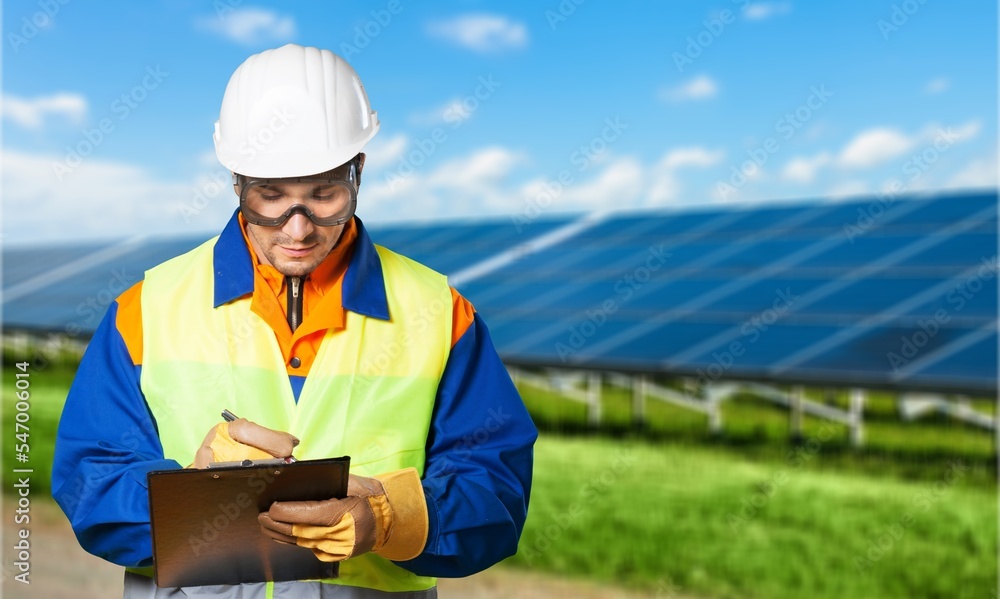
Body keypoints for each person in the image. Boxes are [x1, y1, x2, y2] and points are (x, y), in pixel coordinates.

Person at [51, 43, 537, 598]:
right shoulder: (147, 308)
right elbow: (91, 480)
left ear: (359, 171)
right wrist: (193, 495)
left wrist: (390, 517)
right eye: (271, 196)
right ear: (236, 181)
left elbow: (496, 488)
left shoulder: (440, 313)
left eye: (324, 194)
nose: (298, 229)